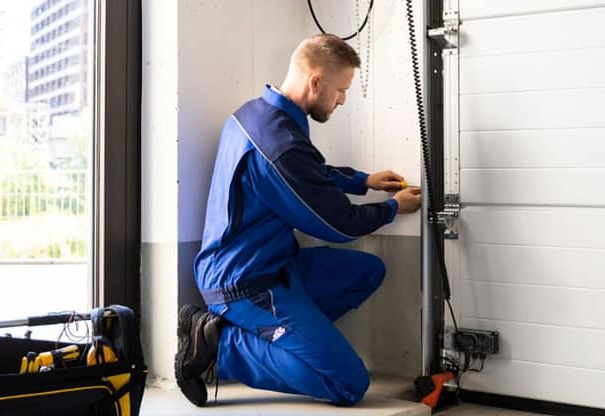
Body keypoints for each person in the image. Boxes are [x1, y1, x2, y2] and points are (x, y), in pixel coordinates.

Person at [175, 34, 422, 407]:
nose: (342, 100)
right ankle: (220, 346)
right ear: (316, 82)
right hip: (244, 284)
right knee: (349, 384)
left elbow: (309, 173)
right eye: (341, 90)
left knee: (367, 271)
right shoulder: (278, 145)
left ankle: (292, 342)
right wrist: (391, 208)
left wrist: (363, 181)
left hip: (276, 266)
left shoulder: (256, 115)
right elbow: (339, 225)